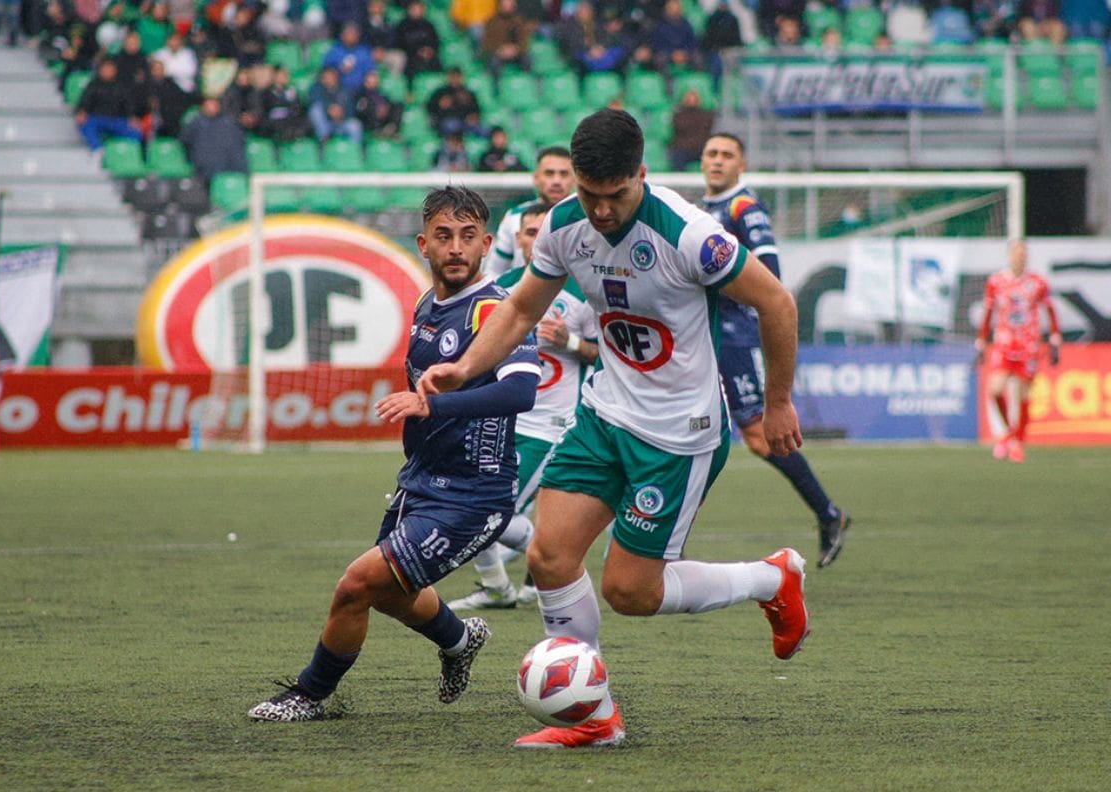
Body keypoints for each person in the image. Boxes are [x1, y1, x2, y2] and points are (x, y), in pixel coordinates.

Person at [418, 109, 810, 749]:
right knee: (549, 556)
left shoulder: (690, 235)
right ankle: (593, 717)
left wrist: (779, 402)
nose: (599, 211)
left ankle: (773, 578)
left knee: (629, 591)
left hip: (679, 435)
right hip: (603, 414)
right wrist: (466, 366)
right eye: (588, 193)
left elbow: (776, 302)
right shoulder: (564, 225)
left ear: (642, 176)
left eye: (615, 195)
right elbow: (521, 307)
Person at [247, 185, 541, 722]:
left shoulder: (496, 310)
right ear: (423, 244)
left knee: (357, 586)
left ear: (486, 244)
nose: (457, 248)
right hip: (422, 481)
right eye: (445, 237)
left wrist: (435, 408)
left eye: (469, 237)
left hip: (474, 496)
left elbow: (521, 392)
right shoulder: (428, 303)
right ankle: (458, 640)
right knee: (390, 593)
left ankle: (307, 695)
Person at [700, 132, 851, 568]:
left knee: (758, 435)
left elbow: (770, 274)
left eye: (727, 155)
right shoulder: (702, 209)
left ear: (741, 164)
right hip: (705, 331)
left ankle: (828, 513)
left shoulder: (744, 208)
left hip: (733, 333)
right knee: (698, 425)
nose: (718, 161)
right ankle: (670, 533)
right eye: (712, 153)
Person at [449, 202, 599, 611]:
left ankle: (540, 557)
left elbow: (606, 357)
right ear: (518, 239)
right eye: (530, 233)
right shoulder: (498, 289)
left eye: (544, 232)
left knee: (486, 509)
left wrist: (569, 342)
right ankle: (500, 584)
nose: (537, 240)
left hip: (550, 425)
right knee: (470, 500)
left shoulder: (585, 293)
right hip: (500, 418)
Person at [975, 239, 1062, 463]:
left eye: (1023, 253)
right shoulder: (996, 282)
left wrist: (1054, 339)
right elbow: (988, 313)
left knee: (1023, 395)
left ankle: (1017, 443)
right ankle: (1007, 435)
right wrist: (981, 341)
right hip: (1004, 343)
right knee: (995, 389)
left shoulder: (1038, 282)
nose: (1020, 256)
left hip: (1028, 345)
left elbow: (1050, 310)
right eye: (1016, 252)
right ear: (1009, 255)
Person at [482, 145, 574, 277]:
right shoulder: (514, 218)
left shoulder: (586, 218)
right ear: (536, 178)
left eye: (564, 174)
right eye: (549, 173)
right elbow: (494, 272)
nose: (556, 181)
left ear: (574, 179)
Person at [180, 96, 247, 184]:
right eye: (209, 105)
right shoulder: (195, 124)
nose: (211, 108)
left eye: (214, 105)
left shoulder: (229, 123)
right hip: (203, 170)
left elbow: (238, 145)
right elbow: (185, 141)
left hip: (227, 167)